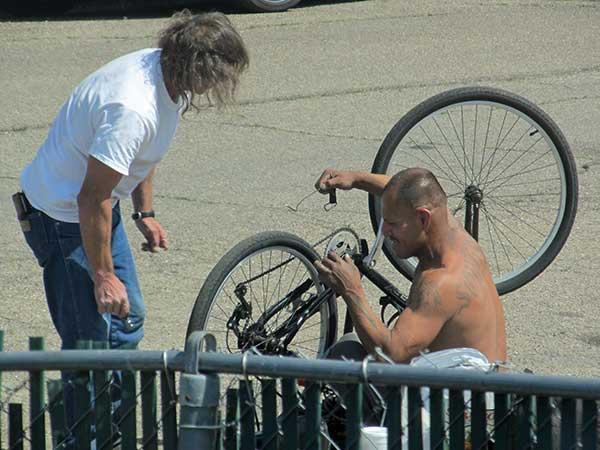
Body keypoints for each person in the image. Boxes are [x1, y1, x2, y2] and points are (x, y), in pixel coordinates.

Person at [13, 9, 249, 443]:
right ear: (197, 67)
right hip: (65, 218)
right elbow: (92, 197)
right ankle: (82, 437)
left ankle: (111, 428)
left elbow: (143, 156)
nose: (219, 86)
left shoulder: (165, 75)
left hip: (99, 208)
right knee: (89, 343)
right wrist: (103, 276)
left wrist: (146, 212)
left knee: (125, 323)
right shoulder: (132, 107)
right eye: (218, 75)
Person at [314, 167, 507, 366]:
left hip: (461, 396)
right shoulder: (450, 229)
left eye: (393, 223)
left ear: (423, 219)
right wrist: (356, 179)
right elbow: (407, 194)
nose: (385, 230)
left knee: (346, 353)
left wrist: (351, 290)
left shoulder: (442, 282)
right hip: (484, 386)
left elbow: (390, 354)